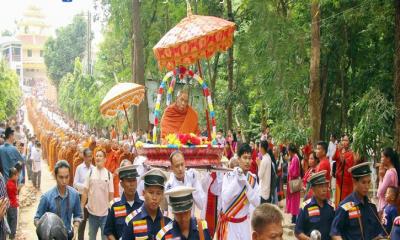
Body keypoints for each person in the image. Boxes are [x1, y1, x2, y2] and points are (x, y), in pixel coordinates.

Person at [330, 162, 386, 239]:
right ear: (354, 181)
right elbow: (335, 232)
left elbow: (378, 232)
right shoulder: (345, 207)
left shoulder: (371, 206)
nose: (367, 186)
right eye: (363, 182)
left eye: (369, 182)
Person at [216, 143, 260, 240]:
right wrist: (237, 180)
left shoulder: (252, 179)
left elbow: (257, 202)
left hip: (244, 224)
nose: (248, 161)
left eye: (249, 158)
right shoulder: (229, 176)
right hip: (230, 225)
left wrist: (246, 183)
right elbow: (226, 198)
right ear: (239, 159)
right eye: (245, 157)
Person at [34, 160, 82, 240]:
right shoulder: (46, 197)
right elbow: (37, 218)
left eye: (67, 177)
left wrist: (76, 229)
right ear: (55, 176)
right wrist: (46, 231)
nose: (64, 181)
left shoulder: (75, 194)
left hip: (68, 235)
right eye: (61, 177)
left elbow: (78, 215)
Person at [122, 168, 171, 240]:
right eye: (151, 192)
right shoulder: (132, 220)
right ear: (144, 193)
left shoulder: (167, 220)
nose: (154, 198)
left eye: (158, 193)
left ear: (163, 195)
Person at [81, 149, 114, 240]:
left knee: (105, 237)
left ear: (105, 159)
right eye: (97, 156)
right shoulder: (90, 173)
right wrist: (81, 207)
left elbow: (111, 194)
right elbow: (85, 192)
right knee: (91, 237)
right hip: (92, 214)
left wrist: (111, 211)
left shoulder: (109, 174)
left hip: (105, 214)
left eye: (100, 156)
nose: (98, 157)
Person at [104, 165, 143, 240]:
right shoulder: (115, 206)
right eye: (128, 181)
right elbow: (109, 231)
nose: (132, 184)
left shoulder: (144, 205)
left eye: (134, 180)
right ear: (121, 184)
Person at [295, 170, 335, 240]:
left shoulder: (331, 207)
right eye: (320, 187)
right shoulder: (305, 207)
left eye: (325, 186)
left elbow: (335, 230)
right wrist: (308, 239)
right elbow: (298, 232)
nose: (324, 190)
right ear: (313, 189)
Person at [165, 151, 205, 216]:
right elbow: (172, 211)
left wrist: (194, 187)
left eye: (182, 164)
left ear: (185, 164)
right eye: (177, 166)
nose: (180, 169)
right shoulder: (169, 186)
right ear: (171, 168)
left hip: (191, 221)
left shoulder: (192, 176)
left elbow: (201, 205)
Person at [73, 148, 94, 240]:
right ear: (84, 157)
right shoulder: (79, 168)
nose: (90, 158)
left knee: (93, 223)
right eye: (88, 156)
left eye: (91, 156)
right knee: (82, 221)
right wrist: (85, 186)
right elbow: (75, 183)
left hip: (92, 198)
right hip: (81, 198)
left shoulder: (94, 169)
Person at [333, 134, 355, 207]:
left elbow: (344, 161)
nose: (344, 142)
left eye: (346, 140)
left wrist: (339, 152)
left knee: (346, 202)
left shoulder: (351, 153)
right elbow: (334, 158)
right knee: (338, 201)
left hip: (347, 182)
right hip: (339, 181)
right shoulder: (339, 151)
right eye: (343, 140)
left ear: (349, 142)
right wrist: (337, 150)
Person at [377, 147, 399, 212]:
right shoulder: (394, 171)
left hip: (384, 206)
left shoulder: (389, 173)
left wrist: (381, 177)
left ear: (388, 158)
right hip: (390, 205)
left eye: (382, 157)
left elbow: (379, 193)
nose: (381, 159)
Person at [286, 143, 301, 224]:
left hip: (293, 182)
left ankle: (294, 217)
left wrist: (289, 164)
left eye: (288, 150)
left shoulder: (295, 159)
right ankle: (294, 216)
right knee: (294, 200)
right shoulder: (295, 157)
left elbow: (294, 172)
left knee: (294, 200)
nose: (288, 152)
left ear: (290, 151)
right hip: (293, 181)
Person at [6, 168, 19, 240]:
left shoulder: (8, 183)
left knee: (9, 219)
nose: (17, 177)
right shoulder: (12, 185)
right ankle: (12, 235)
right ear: (13, 176)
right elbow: (16, 192)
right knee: (14, 220)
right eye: (16, 175)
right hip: (13, 205)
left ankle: (10, 233)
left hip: (9, 205)